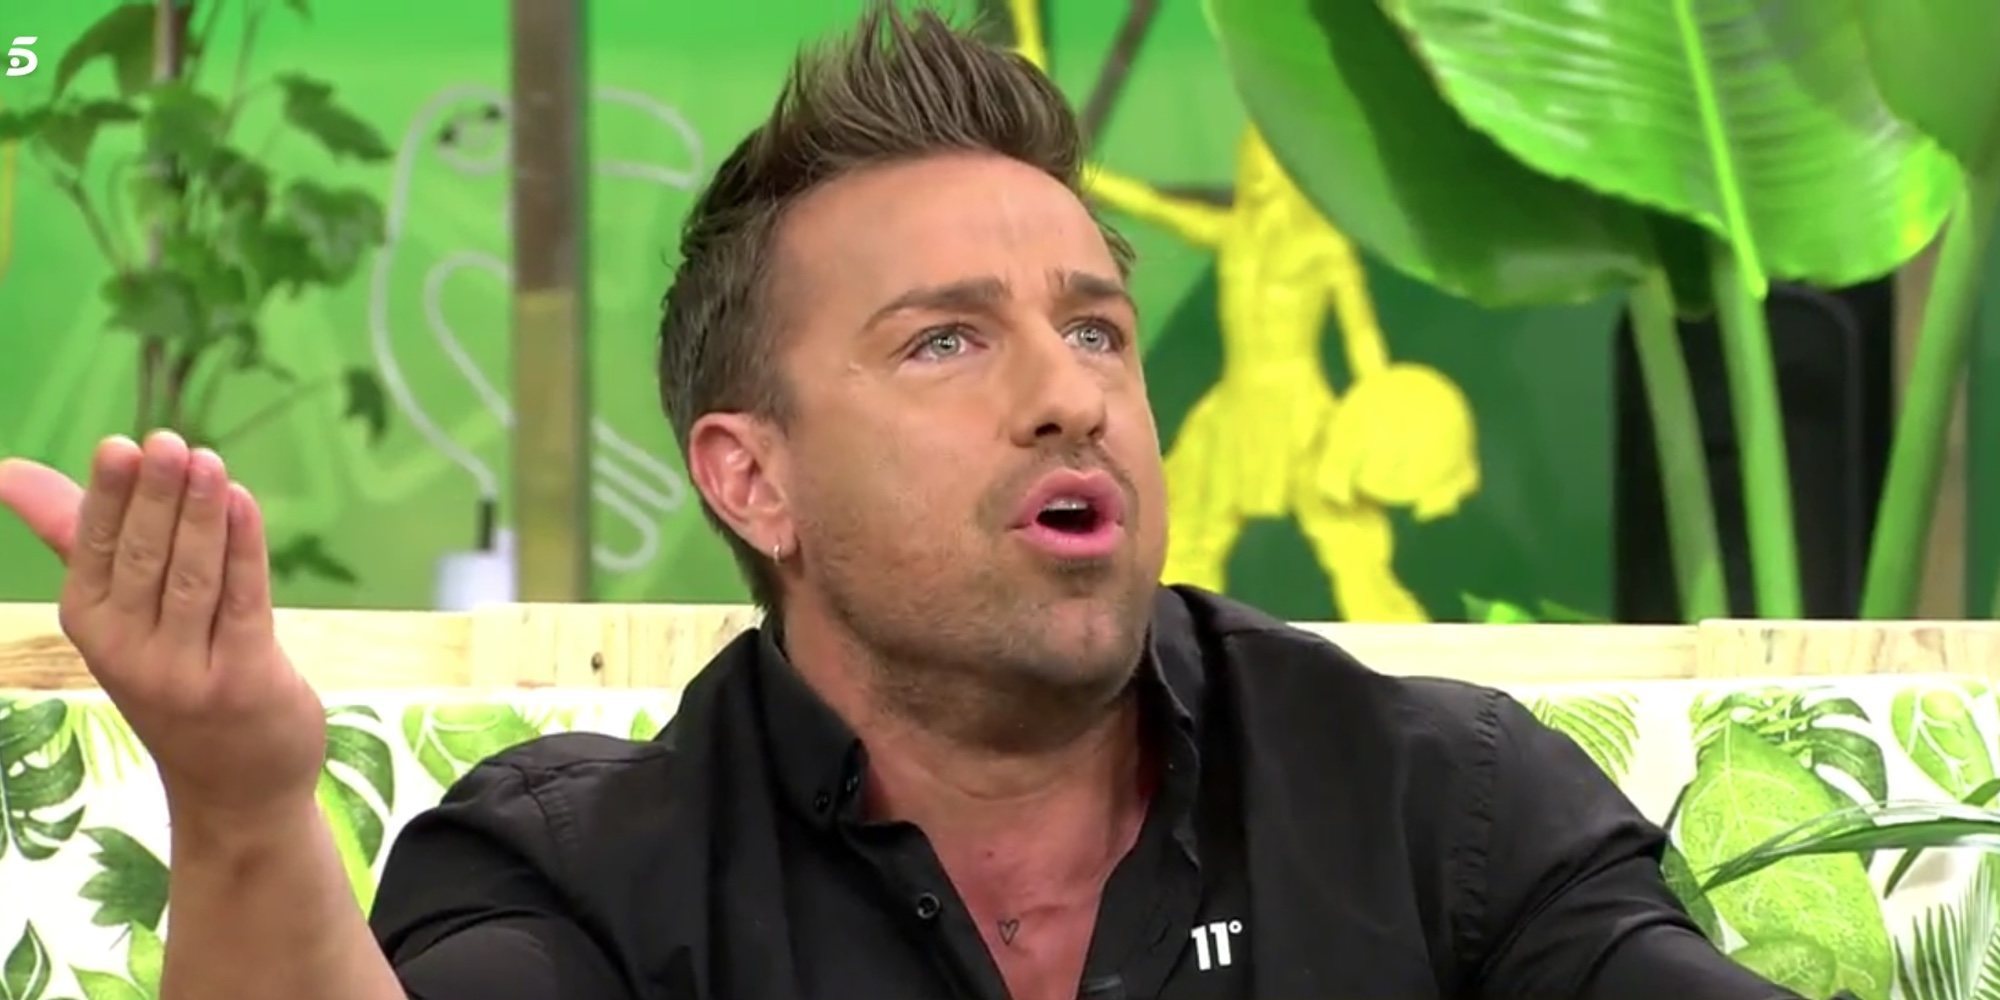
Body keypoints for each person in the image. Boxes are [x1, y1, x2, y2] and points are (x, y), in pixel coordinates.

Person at [0, 6, 1811, 1000]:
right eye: (947, 341)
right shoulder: (588, 875)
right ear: (754, 477)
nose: (1070, 393)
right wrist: (241, 803)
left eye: (1096, 330)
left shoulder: (1435, 802)